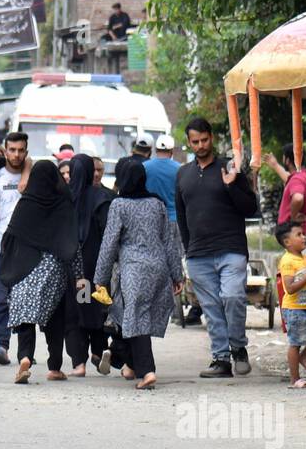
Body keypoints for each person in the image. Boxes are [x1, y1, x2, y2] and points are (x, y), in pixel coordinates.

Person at [175, 117, 258, 378]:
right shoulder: (183, 174)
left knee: (233, 297)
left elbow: (250, 208)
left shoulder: (230, 168)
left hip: (230, 249)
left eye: (204, 140)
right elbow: (181, 215)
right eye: (195, 141)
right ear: (189, 143)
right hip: (198, 254)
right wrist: (189, 251)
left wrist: (232, 185)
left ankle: (238, 348)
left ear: (212, 138)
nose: (200, 145)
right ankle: (221, 359)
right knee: (211, 308)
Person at [93, 159, 183, 390]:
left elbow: (109, 243)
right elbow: (169, 241)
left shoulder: (119, 205)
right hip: (158, 267)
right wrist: (176, 275)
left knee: (135, 317)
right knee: (130, 316)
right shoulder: (158, 204)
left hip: (133, 270)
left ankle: (147, 371)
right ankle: (129, 364)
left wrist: (100, 278)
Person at [0, 160, 82, 383]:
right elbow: (72, 244)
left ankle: (25, 358)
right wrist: (79, 275)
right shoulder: (63, 205)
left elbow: (9, 238)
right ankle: (54, 367)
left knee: (25, 318)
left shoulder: (25, 204)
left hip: (22, 269)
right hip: (53, 271)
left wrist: (7, 267)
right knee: (55, 320)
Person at [65, 153, 115, 377]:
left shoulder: (66, 198)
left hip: (75, 270)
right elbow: (108, 232)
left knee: (77, 312)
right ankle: (98, 351)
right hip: (97, 268)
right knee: (96, 309)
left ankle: (79, 363)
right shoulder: (101, 197)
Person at [0, 132, 28, 365]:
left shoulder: (32, 177)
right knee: (2, 299)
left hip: (27, 251)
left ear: (26, 152)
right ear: (5, 151)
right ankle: (2, 346)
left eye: (21, 150)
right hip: (2, 249)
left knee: (22, 300)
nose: (16, 154)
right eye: (12, 150)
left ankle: (25, 352)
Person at [275, 221, 306, 388]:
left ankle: (304, 356)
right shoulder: (287, 261)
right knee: (295, 343)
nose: (304, 237)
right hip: (294, 309)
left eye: (303, 234)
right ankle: (295, 379)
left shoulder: (304, 258)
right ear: (287, 242)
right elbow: (290, 288)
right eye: (299, 235)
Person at [265, 142, 306, 235]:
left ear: (287, 160)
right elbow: (290, 180)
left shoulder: (297, 179)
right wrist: (275, 165)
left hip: (296, 234)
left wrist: (293, 217)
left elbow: (298, 198)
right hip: (305, 232)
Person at [143, 134, 180, 241]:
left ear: (155, 150)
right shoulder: (179, 169)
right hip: (173, 218)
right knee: (173, 255)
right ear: (171, 151)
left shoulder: (145, 167)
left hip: (150, 218)